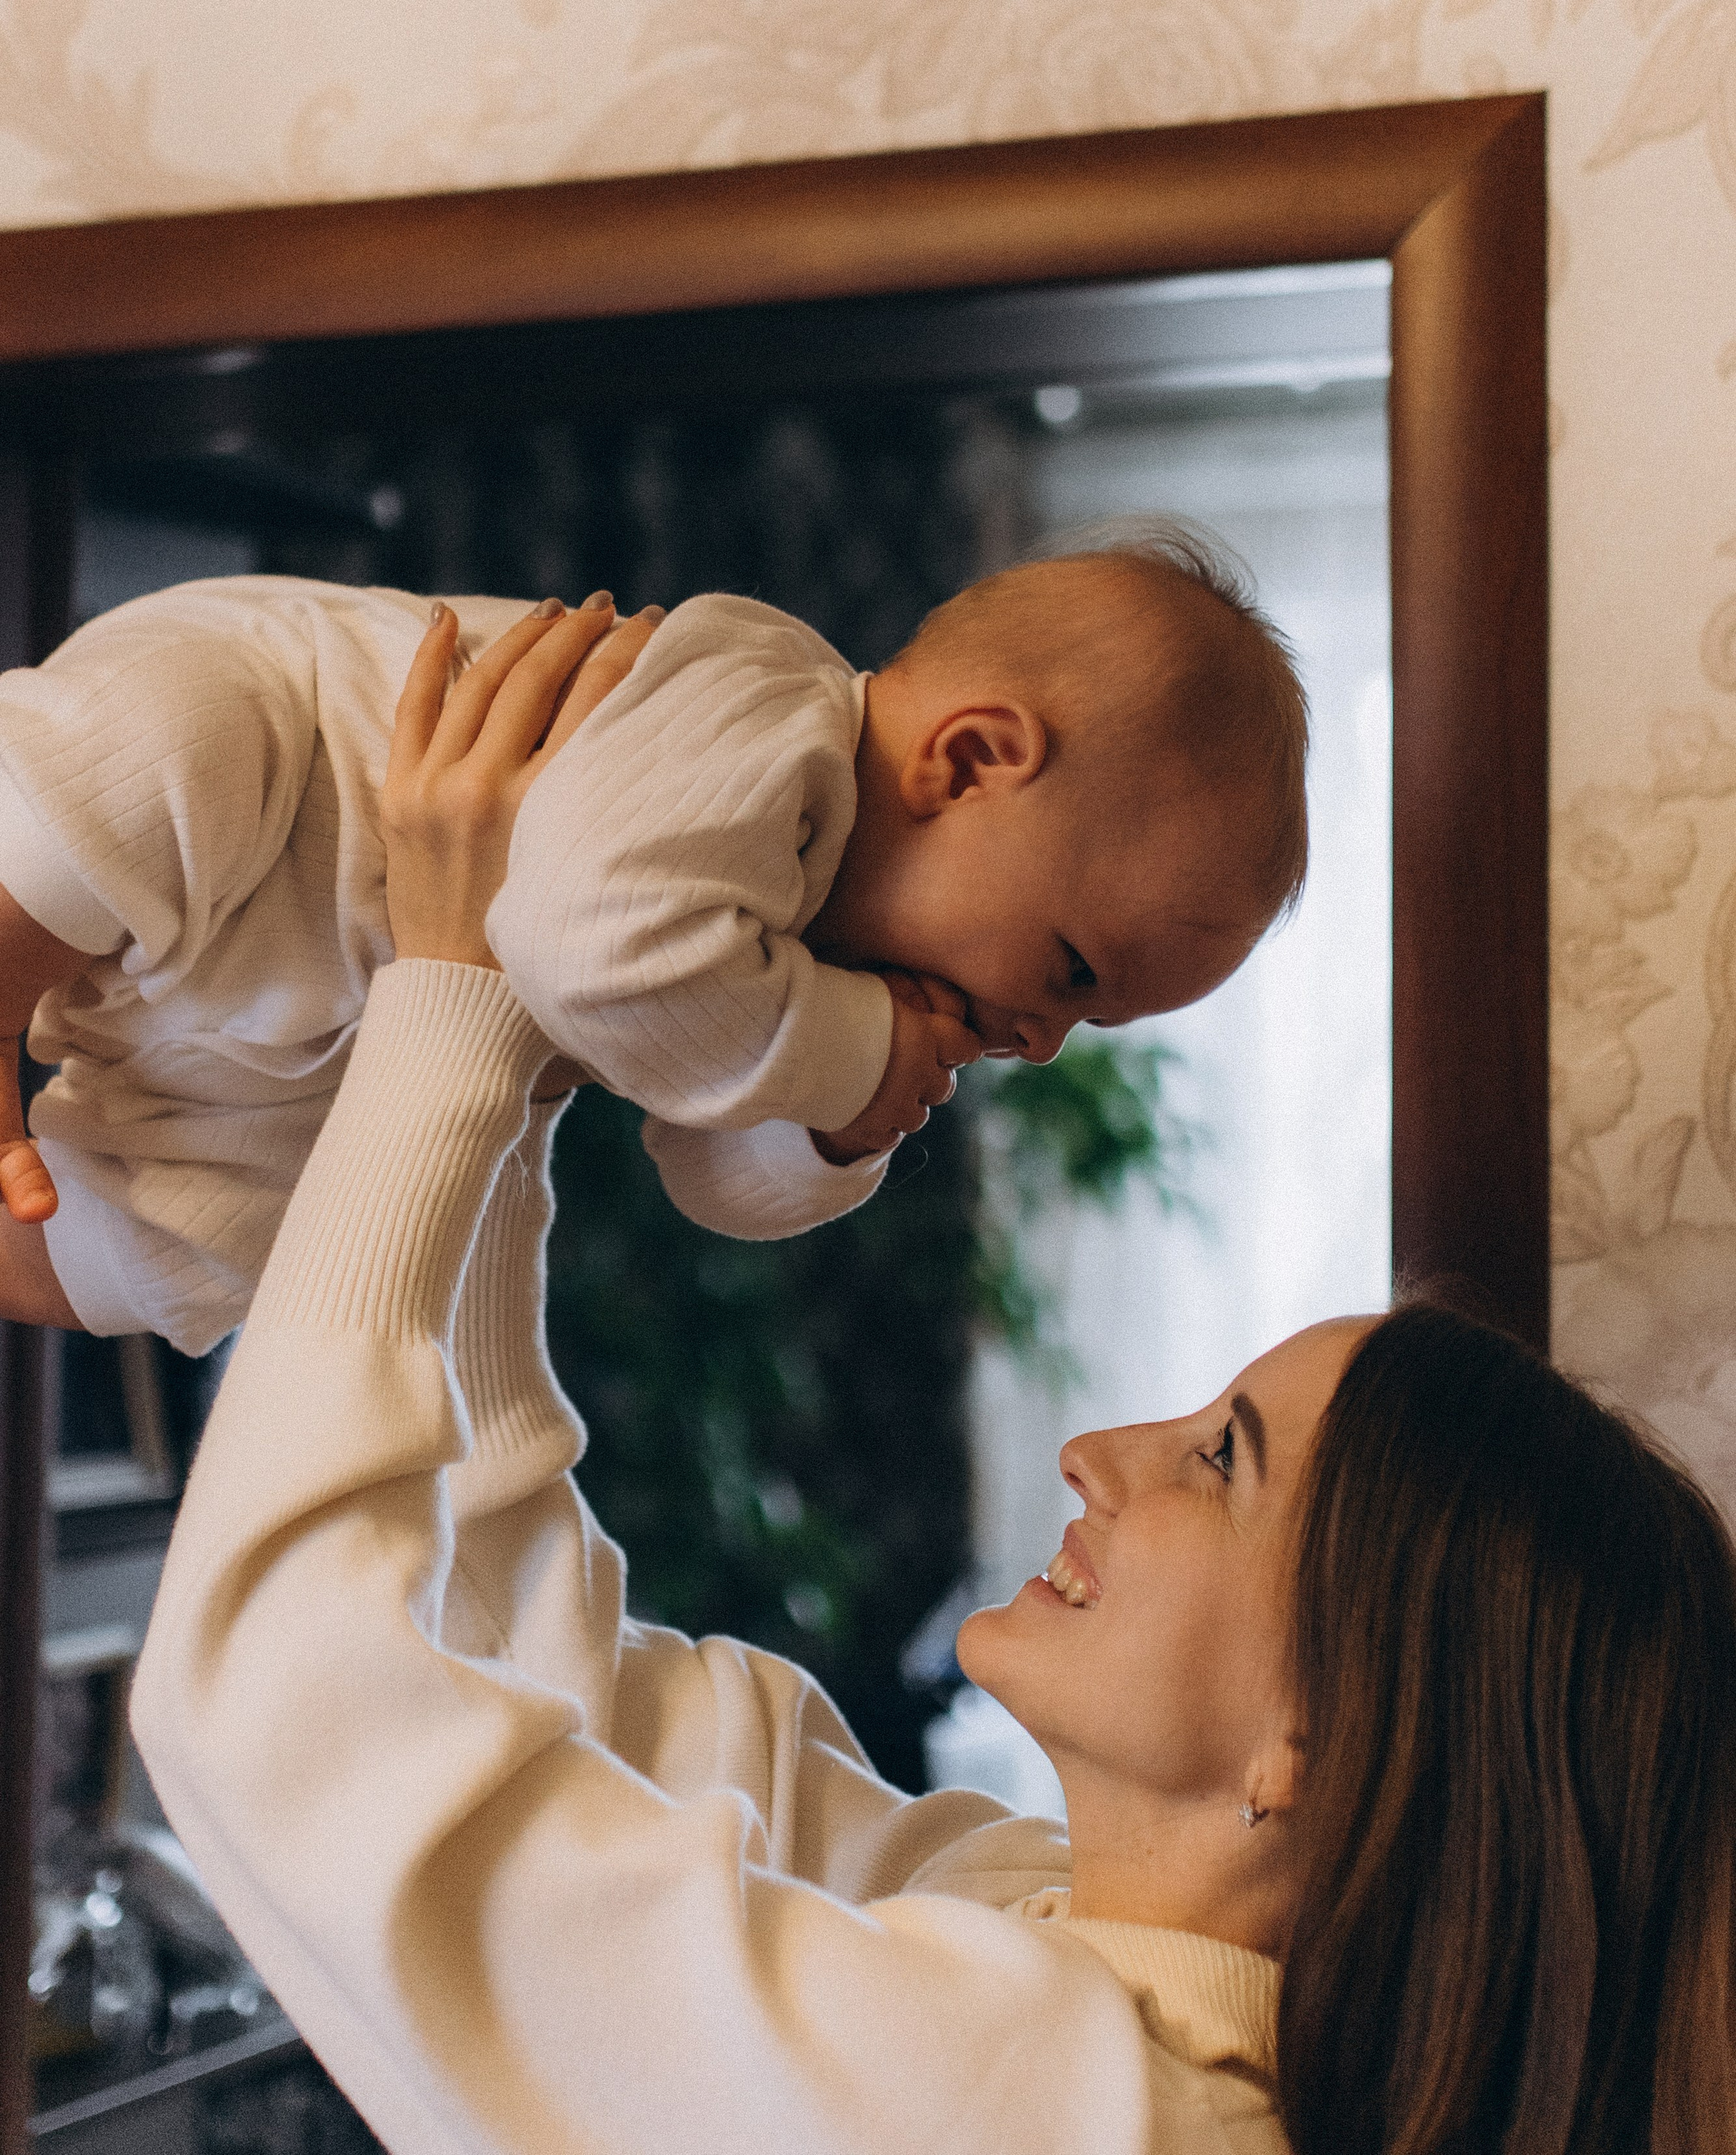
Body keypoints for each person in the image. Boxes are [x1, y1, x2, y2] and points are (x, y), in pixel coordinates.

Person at [132, 604, 1736, 2155]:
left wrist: (454, 1012)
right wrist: (504, 1036)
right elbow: (575, 1700)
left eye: (1220, 1462)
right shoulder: (1042, 1941)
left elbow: (286, 1711)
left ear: (1318, 1735)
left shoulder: (1038, 2099)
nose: (1102, 1450)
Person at [0, 526, 1302, 1353]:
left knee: (197, 1243)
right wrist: (847, 1053)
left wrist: (832, 1130)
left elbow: (710, 1174)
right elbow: (596, 945)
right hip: (280, 805)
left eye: (1085, 1026)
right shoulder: (769, 709)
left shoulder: (813, 961)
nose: (1039, 1036)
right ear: (968, 762)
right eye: (1074, 970)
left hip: (297, 1023)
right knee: (154, 764)